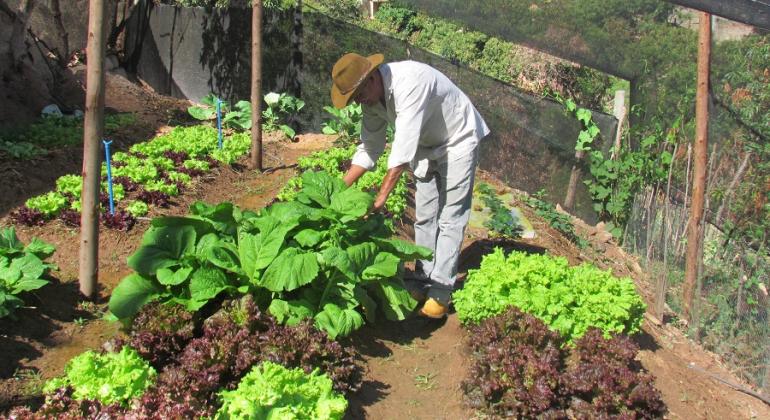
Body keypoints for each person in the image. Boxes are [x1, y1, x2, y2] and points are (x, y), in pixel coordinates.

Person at [330, 52, 490, 319]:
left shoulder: (410, 83)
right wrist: (336, 188)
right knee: (425, 215)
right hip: (425, 147)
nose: (358, 103)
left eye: (358, 95)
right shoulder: (371, 101)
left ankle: (441, 290)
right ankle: (422, 279)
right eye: (353, 99)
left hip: (458, 139)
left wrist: (380, 199)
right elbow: (370, 148)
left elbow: (401, 151)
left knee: (451, 217)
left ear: (371, 79)